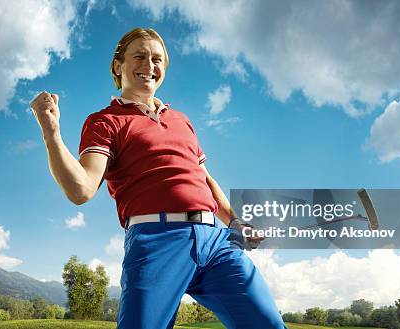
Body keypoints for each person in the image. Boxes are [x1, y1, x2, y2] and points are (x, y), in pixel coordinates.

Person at [30, 27, 287, 329]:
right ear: (118, 66)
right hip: (156, 241)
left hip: (217, 242)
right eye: (139, 56)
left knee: (267, 324)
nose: (149, 66)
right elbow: (81, 189)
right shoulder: (105, 121)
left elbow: (204, 178)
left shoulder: (182, 120)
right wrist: (52, 134)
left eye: (157, 59)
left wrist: (235, 222)